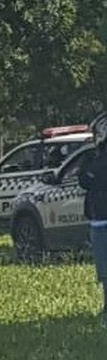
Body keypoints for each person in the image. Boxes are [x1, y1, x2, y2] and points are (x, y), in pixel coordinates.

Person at [79, 111, 107, 323]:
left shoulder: (98, 161)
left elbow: (86, 180)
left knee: (105, 271)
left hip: (101, 221)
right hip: (99, 219)